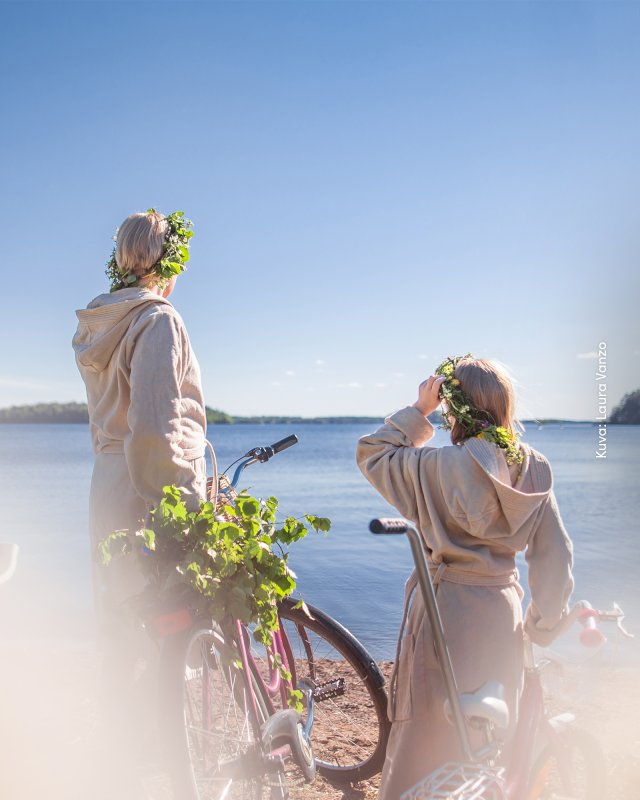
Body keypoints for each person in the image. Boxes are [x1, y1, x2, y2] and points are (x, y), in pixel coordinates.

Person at [356, 356, 574, 800]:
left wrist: (419, 412)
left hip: (444, 612)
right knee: (490, 738)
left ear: (452, 408)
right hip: (501, 616)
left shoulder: (436, 467)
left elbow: (373, 453)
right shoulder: (535, 468)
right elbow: (555, 556)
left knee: (425, 735)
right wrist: (543, 624)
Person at [72, 209, 207, 796]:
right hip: (143, 485)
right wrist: (180, 504)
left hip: (106, 483)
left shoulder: (100, 323)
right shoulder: (158, 321)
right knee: (164, 624)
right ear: (169, 268)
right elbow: (154, 427)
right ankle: (161, 763)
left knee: (120, 624)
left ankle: (118, 759)